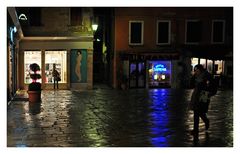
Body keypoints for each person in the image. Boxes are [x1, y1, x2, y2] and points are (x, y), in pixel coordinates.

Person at [190, 64, 215, 135]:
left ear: (200, 69)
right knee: (196, 111)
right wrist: (193, 77)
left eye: (197, 70)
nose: (195, 71)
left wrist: (210, 93)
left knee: (199, 111)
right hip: (196, 94)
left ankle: (204, 122)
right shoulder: (196, 76)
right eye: (195, 70)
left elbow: (212, 85)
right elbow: (191, 85)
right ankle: (196, 129)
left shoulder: (207, 75)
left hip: (204, 95)